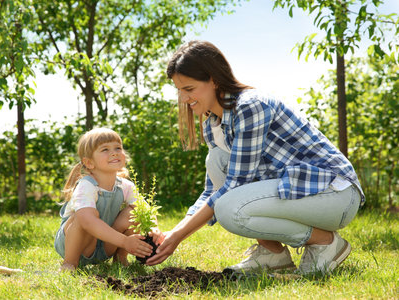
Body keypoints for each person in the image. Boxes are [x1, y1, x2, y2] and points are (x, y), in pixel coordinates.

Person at [146, 40, 364, 275]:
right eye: (179, 90)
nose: (183, 98)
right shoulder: (213, 124)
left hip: (334, 193)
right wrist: (173, 233)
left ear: (214, 80)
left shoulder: (250, 107)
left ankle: (325, 242)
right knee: (217, 163)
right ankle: (273, 254)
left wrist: (178, 236)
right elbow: (213, 189)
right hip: (297, 192)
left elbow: (234, 187)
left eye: (189, 89)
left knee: (229, 209)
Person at [54, 128, 157, 271]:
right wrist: (125, 241)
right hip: (78, 245)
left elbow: (146, 211)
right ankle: (69, 264)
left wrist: (154, 229)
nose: (114, 152)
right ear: (89, 162)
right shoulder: (87, 185)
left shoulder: (125, 186)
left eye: (118, 148)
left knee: (136, 211)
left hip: (106, 245)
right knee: (83, 216)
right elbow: (87, 222)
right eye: (105, 150)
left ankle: (120, 258)